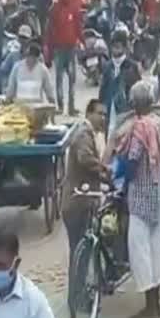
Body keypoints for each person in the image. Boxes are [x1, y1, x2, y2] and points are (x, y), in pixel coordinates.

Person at [109, 81, 160, 318]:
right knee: (156, 249)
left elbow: (132, 160)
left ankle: (150, 309)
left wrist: (123, 188)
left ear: (135, 103)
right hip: (158, 192)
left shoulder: (141, 128)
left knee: (140, 252)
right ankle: (157, 304)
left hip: (141, 195)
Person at [61, 99, 110, 265]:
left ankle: (79, 289)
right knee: (79, 253)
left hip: (81, 200)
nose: (103, 118)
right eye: (99, 114)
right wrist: (105, 172)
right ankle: (77, 290)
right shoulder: (83, 134)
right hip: (78, 202)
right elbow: (85, 158)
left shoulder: (89, 133)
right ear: (89, 114)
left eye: (105, 114)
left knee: (79, 253)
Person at [48, 0, 86, 115]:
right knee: (63, 79)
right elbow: (50, 31)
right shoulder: (58, 10)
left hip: (68, 49)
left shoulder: (69, 9)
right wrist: (49, 51)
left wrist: (82, 41)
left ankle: (67, 107)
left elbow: (78, 27)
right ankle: (63, 106)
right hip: (62, 49)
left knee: (68, 79)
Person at [99, 30, 141, 136]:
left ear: (125, 48)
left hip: (125, 111)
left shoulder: (132, 67)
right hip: (109, 109)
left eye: (118, 47)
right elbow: (103, 89)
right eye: (113, 47)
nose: (115, 50)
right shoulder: (107, 67)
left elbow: (137, 90)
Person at [0, 24, 33, 94]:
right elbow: (0, 72)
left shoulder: (36, 58)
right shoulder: (13, 56)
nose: (23, 40)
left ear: (30, 39)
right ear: (18, 38)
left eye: (25, 38)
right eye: (21, 37)